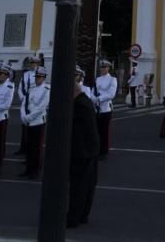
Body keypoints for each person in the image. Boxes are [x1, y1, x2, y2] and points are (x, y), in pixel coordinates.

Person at [67, 81, 100, 229]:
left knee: (78, 187)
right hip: (91, 150)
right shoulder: (86, 101)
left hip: (82, 152)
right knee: (88, 186)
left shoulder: (78, 105)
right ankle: (83, 215)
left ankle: (73, 218)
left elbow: (71, 127)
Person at [19, 66, 49, 179]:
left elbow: (41, 107)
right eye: (36, 76)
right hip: (28, 121)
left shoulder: (46, 89)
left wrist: (29, 117)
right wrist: (23, 116)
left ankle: (35, 171)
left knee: (37, 148)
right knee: (29, 147)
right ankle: (28, 169)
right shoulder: (31, 89)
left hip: (38, 122)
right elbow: (23, 103)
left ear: (44, 77)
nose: (38, 78)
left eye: (40, 76)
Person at [14, 55, 40, 156]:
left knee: (32, 127)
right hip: (25, 102)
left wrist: (31, 100)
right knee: (24, 125)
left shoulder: (39, 74)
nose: (33, 65)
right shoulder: (26, 74)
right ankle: (23, 148)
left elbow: (39, 89)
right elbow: (21, 87)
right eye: (31, 63)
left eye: (34, 63)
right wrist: (23, 98)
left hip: (34, 103)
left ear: (38, 64)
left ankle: (30, 150)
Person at [91, 60, 117, 158]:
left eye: (105, 67)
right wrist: (93, 98)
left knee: (104, 132)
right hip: (96, 108)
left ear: (108, 68)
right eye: (101, 67)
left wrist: (99, 99)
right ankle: (97, 150)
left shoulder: (112, 79)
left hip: (105, 108)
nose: (102, 69)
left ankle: (104, 151)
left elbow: (111, 94)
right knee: (96, 131)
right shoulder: (97, 79)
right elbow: (92, 91)